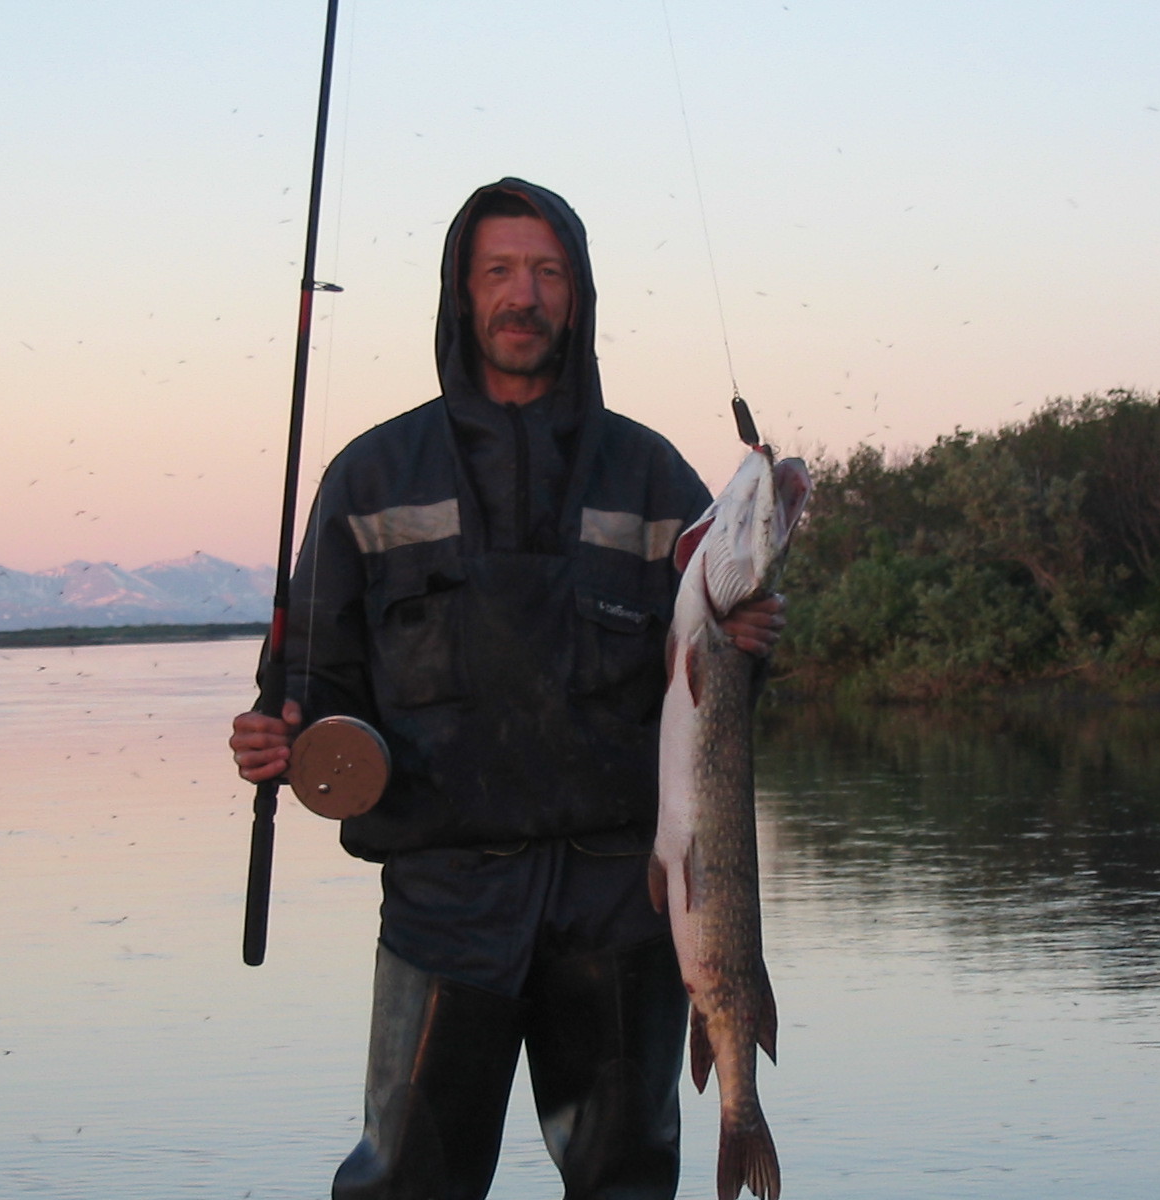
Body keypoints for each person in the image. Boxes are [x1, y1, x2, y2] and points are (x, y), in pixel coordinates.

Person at [231, 178, 783, 1199]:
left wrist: (748, 640)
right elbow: (311, 678)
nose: (521, 295)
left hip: (622, 905)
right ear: (461, 292)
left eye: (545, 272)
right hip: (445, 907)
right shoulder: (369, 477)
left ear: (577, 296)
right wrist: (285, 734)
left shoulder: (655, 477)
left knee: (625, 1181)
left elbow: (721, 694)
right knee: (405, 1185)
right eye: (498, 272)